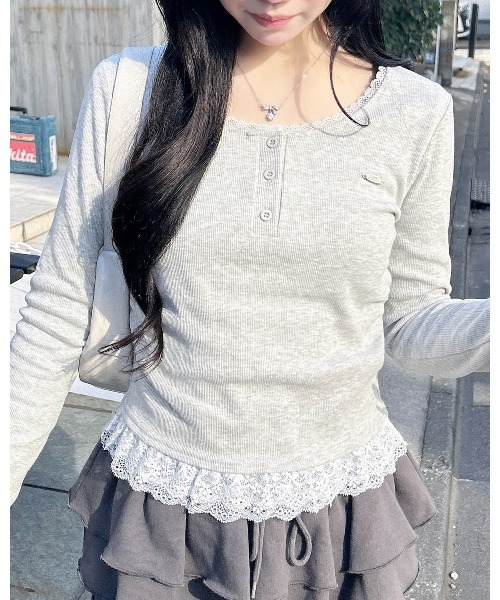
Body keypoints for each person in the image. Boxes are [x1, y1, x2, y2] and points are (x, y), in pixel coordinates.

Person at [10, 1, 490, 599]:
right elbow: (56, 312)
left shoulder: (415, 113)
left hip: (338, 517)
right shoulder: (128, 91)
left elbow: (410, 319)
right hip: (163, 512)